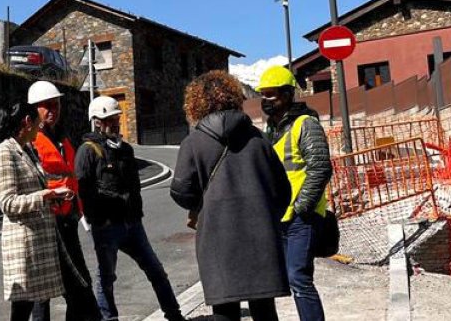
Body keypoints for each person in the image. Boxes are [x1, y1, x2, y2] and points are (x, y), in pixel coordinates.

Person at [170, 71, 291, 321]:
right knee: (265, 310)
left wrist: (202, 206)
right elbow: (283, 191)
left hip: (217, 239)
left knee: (224, 310)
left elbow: (181, 192)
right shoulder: (258, 139)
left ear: (196, 103)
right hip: (261, 236)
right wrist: (267, 216)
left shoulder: (193, 142)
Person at [75, 96, 185, 321]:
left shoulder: (125, 149)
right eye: (109, 119)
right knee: (106, 278)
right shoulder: (87, 151)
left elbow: (134, 185)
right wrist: (99, 219)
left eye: (116, 118)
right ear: (97, 122)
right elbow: (83, 192)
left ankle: (174, 315)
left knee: (156, 270)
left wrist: (136, 213)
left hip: (132, 224)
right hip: (106, 227)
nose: (115, 123)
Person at [257, 66, 332, 321]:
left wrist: (302, 207)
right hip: (282, 216)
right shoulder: (271, 130)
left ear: (288, 94)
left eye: (271, 94)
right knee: (290, 278)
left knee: (298, 277)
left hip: (302, 216)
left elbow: (320, 168)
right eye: (263, 94)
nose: (265, 100)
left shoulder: (305, 124)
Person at [0, 100, 72, 321]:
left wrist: (53, 195)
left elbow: (34, 188)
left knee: (32, 306)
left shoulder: (25, 151)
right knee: (22, 310)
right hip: (24, 247)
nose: (39, 127)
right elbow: (7, 202)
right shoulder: (4, 153)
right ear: (27, 122)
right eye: (37, 123)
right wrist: (44, 196)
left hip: (36, 245)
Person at [27, 81, 100, 321]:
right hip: (46, 224)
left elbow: (70, 176)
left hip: (67, 221)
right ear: (35, 109)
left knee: (79, 287)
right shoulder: (30, 143)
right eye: (47, 106)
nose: (53, 110)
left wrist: (77, 210)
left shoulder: (62, 138)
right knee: (43, 294)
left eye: (56, 105)